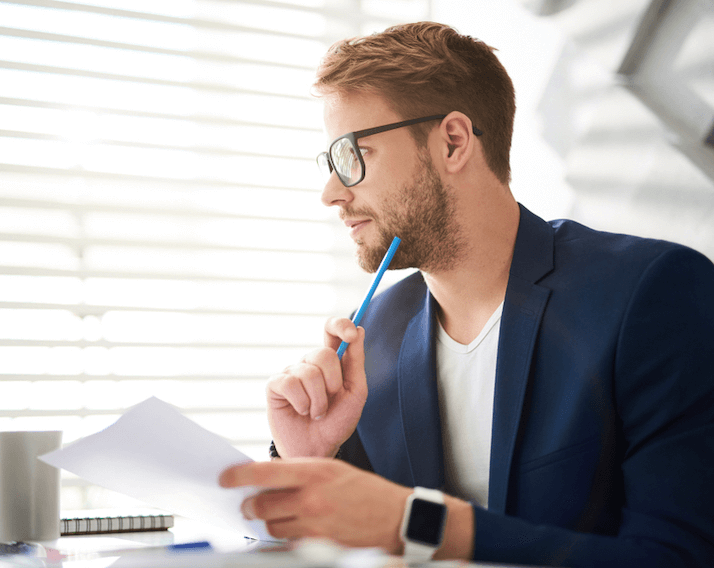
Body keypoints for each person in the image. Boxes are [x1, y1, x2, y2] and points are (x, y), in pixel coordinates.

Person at [219, 21, 714, 567]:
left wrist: (418, 523)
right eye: (331, 165)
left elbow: (680, 557)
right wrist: (306, 459)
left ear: (453, 141)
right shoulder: (373, 337)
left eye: (353, 155)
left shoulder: (652, 293)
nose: (331, 193)